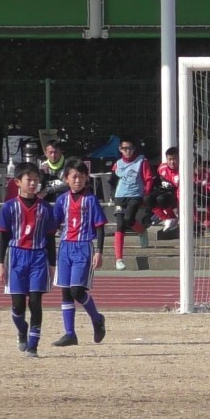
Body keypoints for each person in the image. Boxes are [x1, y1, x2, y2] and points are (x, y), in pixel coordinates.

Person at [0, 162, 58, 357]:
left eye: (36, 180)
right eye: (28, 180)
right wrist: (0, 264)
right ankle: (22, 330)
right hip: (16, 256)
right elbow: (2, 236)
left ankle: (33, 345)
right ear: (18, 182)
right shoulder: (9, 208)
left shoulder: (46, 208)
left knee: (36, 300)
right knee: (18, 306)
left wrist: (52, 264)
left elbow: (49, 237)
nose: (33, 184)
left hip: (38, 256)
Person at [50, 158, 108, 347]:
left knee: (77, 290)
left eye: (81, 177)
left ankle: (97, 318)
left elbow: (100, 226)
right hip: (65, 246)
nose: (78, 180)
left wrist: (99, 251)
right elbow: (53, 225)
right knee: (66, 292)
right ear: (66, 179)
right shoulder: (61, 200)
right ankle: (70, 334)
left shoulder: (90, 200)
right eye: (74, 177)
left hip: (83, 247)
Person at [111, 137, 154, 271]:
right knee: (120, 225)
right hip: (120, 196)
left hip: (135, 195)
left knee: (129, 219)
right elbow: (112, 180)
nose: (127, 151)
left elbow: (148, 178)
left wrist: (146, 192)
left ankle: (141, 231)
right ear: (120, 149)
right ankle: (119, 259)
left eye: (129, 148)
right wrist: (113, 194)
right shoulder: (117, 163)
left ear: (134, 149)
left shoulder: (142, 161)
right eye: (124, 149)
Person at [151, 146, 180, 232]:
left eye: (174, 159)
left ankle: (172, 217)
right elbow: (157, 178)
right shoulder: (162, 167)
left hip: (175, 195)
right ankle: (166, 218)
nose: (172, 162)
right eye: (169, 159)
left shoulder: (183, 169)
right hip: (164, 191)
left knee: (162, 199)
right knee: (147, 198)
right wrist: (162, 181)